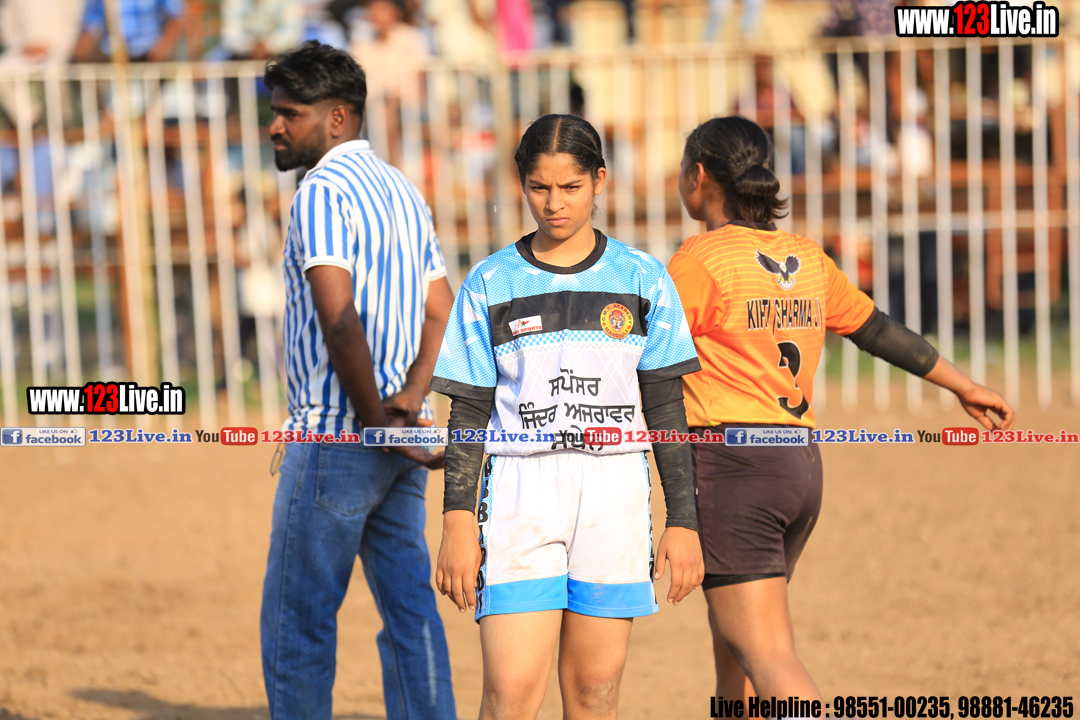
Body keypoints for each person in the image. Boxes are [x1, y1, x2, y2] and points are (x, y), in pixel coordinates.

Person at [667, 116, 1016, 704]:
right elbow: (876, 330)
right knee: (738, 653)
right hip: (798, 469)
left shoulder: (700, 259)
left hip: (736, 469)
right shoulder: (805, 256)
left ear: (698, 175)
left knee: (767, 655)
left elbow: (646, 357)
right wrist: (963, 384)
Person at [432, 113, 705, 720]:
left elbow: (666, 409)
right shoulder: (489, 281)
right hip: (518, 495)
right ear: (521, 183)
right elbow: (469, 409)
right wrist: (456, 522)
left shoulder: (643, 277)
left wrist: (683, 520)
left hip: (614, 495)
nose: (554, 203)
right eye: (539, 187)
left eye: (571, 187)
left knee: (594, 694)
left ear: (600, 180)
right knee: (510, 695)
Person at [259, 41, 456, 720]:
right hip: (399, 431)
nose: (275, 126)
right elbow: (441, 310)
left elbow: (339, 318)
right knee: (409, 613)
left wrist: (374, 421)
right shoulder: (402, 189)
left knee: (298, 619)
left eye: (290, 113)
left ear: (337, 117)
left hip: (339, 436)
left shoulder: (319, 192)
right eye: (275, 111)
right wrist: (409, 399)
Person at [72, 0, 185, 62]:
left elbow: (176, 14)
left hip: (149, 52)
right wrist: (82, 52)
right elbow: (91, 21)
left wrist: (164, 46)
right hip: (112, 53)